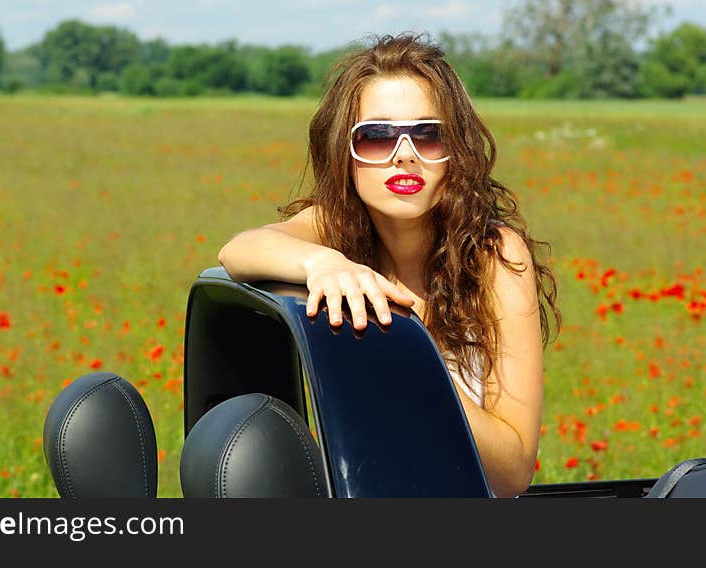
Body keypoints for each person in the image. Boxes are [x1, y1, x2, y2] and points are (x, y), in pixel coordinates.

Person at [217, 32, 561, 498]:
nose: (405, 154)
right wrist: (323, 263)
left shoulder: (494, 255)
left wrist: (407, 361)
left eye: (428, 133)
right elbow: (238, 252)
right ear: (346, 152)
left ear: (455, 150)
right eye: (376, 137)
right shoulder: (332, 229)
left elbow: (512, 471)